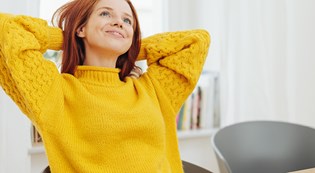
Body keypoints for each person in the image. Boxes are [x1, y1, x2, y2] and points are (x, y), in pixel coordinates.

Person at [0, 0, 210, 172]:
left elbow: (197, 41)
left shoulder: (152, 89)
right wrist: (69, 37)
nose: (119, 22)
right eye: (105, 14)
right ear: (81, 28)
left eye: (127, 20)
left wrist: (129, 45)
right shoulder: (55, 92)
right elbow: (7, 28)